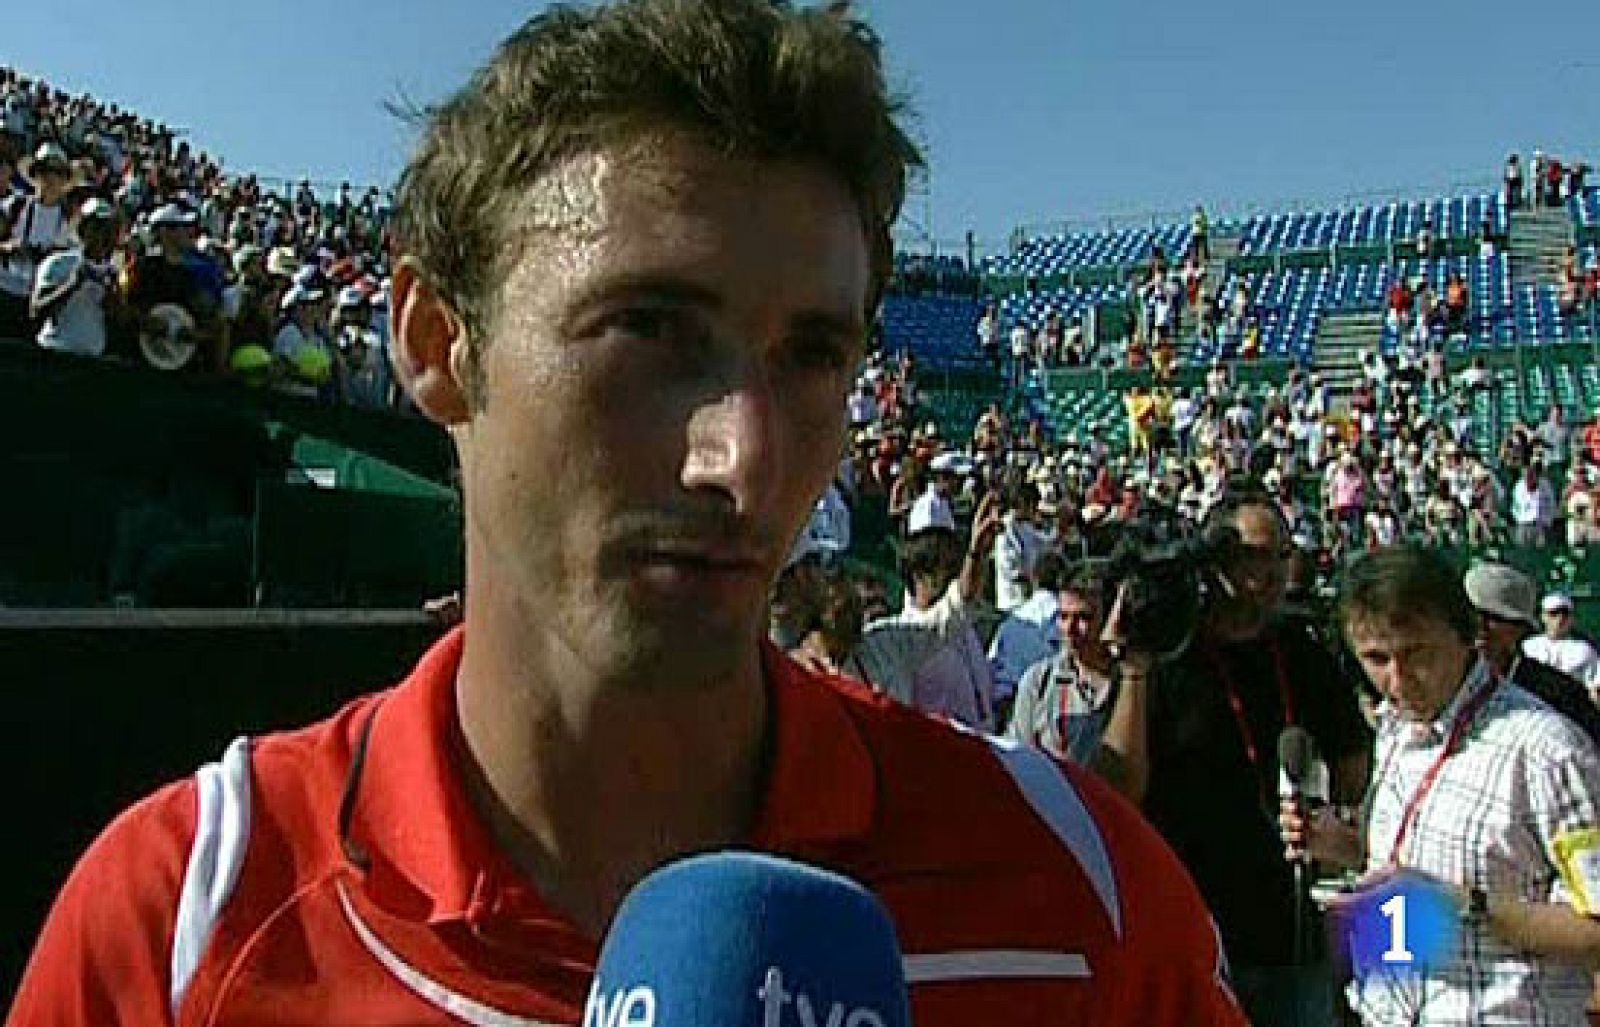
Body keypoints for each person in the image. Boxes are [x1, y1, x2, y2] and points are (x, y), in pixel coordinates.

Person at [10, 6, 1243, 1024]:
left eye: (812, 355)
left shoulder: (1082, 899)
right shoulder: (181, 924)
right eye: (649, 329)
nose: (742, 458)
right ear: (435, 344)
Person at [1284, 545, 1600, 1025]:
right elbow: (1416, 873)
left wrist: (1466, 906)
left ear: (1466, 635)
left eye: (1416, 654)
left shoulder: (1549, 752)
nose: (1397, 680)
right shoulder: (1395, 732)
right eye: (1376, 659)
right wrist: (1344, 848)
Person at [1097, 487, 1372, 1026]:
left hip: (1285, 933)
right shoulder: (1170, 652)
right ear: (1216, 559)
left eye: (1282, 555)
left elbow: (1352, 765)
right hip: (1187, 926)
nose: (1272, 573)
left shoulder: (1303, 651)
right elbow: (1116, 791)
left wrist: (1326, 823)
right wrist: (1134, 663)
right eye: (1254, 556)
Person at [1007, 559, 1137, 780]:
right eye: (1063, 616)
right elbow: (1017, 759)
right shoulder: (1039, 682)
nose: (1069, 629)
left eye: (1083, 617)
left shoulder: (1131, 681)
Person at [1523, 592, 1600, 695]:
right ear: (1543, 616)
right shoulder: (1528, 646)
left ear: (1572, 618)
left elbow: (1594, 687)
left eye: (1565, 613)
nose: (1560, 618)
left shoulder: (1585, 650)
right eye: (1553, 613)